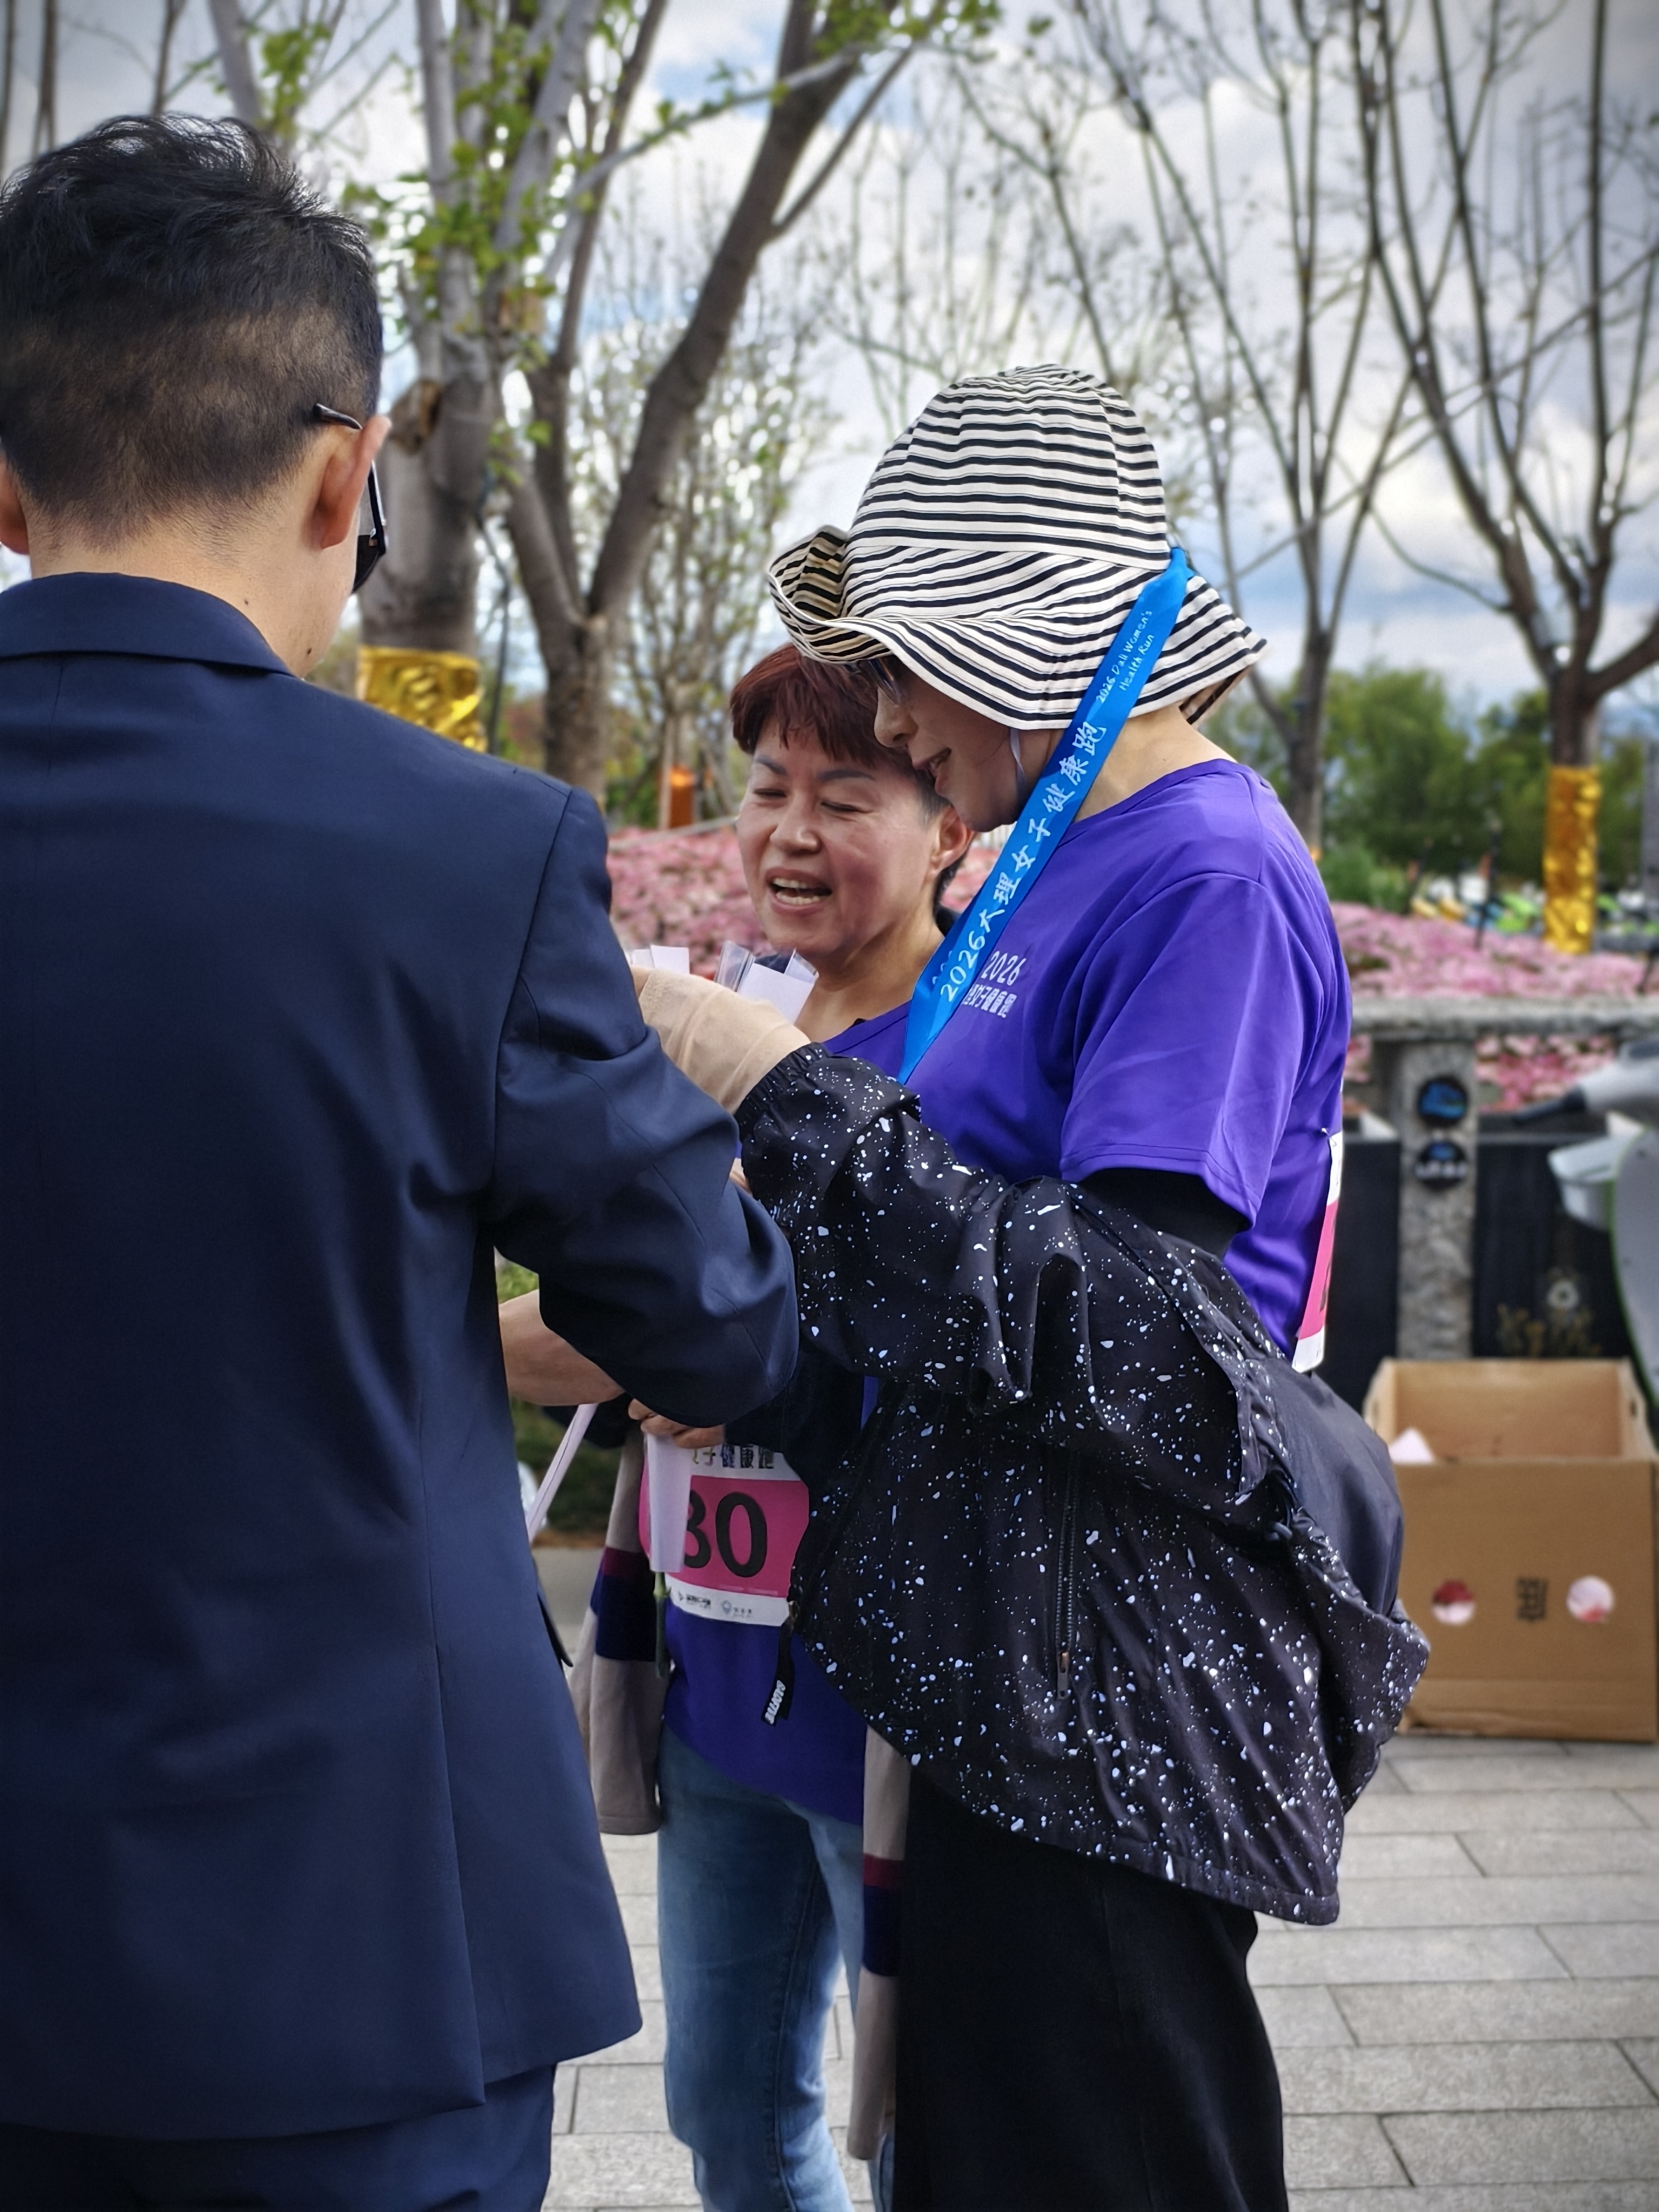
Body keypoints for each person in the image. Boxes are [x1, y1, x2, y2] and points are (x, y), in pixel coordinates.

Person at [0, 117, 797, 2211]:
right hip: (358, 1929)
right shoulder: (464, 855)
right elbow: (707, 1327)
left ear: (5, 484)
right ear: (345, 477)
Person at [627, 367, 1427, 2212]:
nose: (899, 717)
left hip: (1109, 1685)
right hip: (1002, 1657)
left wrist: (778, 1084)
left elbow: (1138, 1338)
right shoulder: (1056, 862)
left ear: (1024, 638)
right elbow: (957, 1269)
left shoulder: (1208, 876)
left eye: (909, 663)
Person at [503, 645, 969, 2212]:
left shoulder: (956, 1066)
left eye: (848, 796)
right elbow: (621, 1308)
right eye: (770, 789)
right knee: (725, 2107)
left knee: (916, 2128)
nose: (791, 830)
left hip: (879, 1694)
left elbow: (951, 1344)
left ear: (947, 825)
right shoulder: (713, 1028)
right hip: (712, 1673)